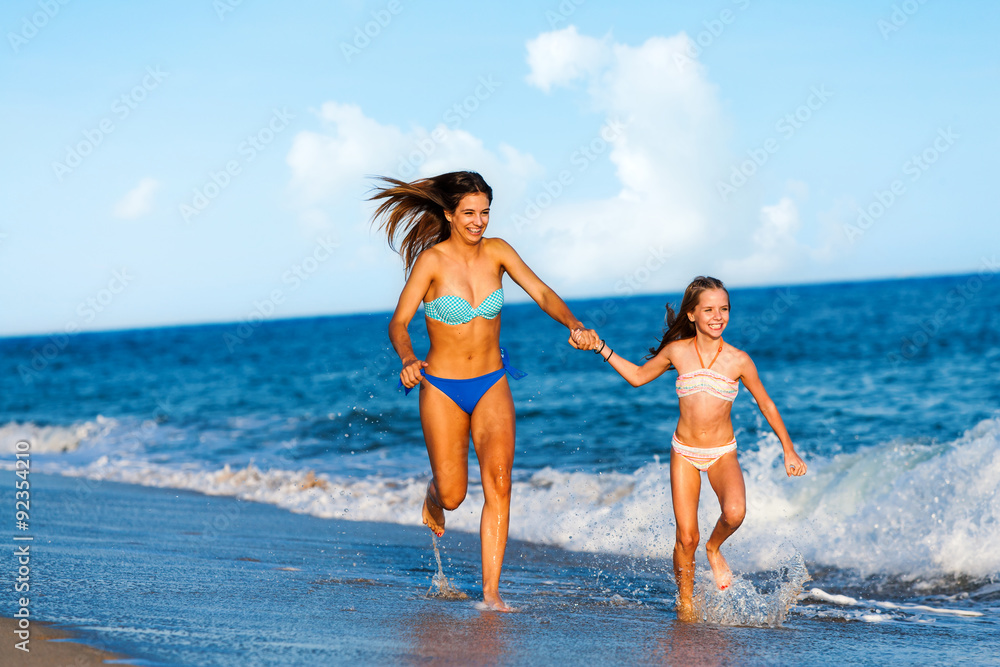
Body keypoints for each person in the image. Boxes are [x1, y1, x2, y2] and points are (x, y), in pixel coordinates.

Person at [372, 171, 598, 611]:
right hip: (441, 386)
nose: (479, 221)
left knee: (500, 484)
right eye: (470, 213)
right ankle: (434, 494)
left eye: (485, 212)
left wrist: (573, 324)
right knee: (455, 495)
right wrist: (406, 359)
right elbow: (398, 323)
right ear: (449, 215)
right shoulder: (432, 262)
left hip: (493, 380)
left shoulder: (498, 252)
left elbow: (541, 291)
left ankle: (492, 592)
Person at [577, 276, 806, 621]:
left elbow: (767, 405)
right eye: (709, 310)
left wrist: (789, 450)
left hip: (722, 453)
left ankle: (714, 549)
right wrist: (601, 348)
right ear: (692, 315)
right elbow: (638, 377)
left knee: (735, 513)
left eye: (724, 309)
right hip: (683, 452)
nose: (718, 316)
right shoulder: (677, 352)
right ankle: (686, 604)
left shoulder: (738, 360)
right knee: (686, 537)